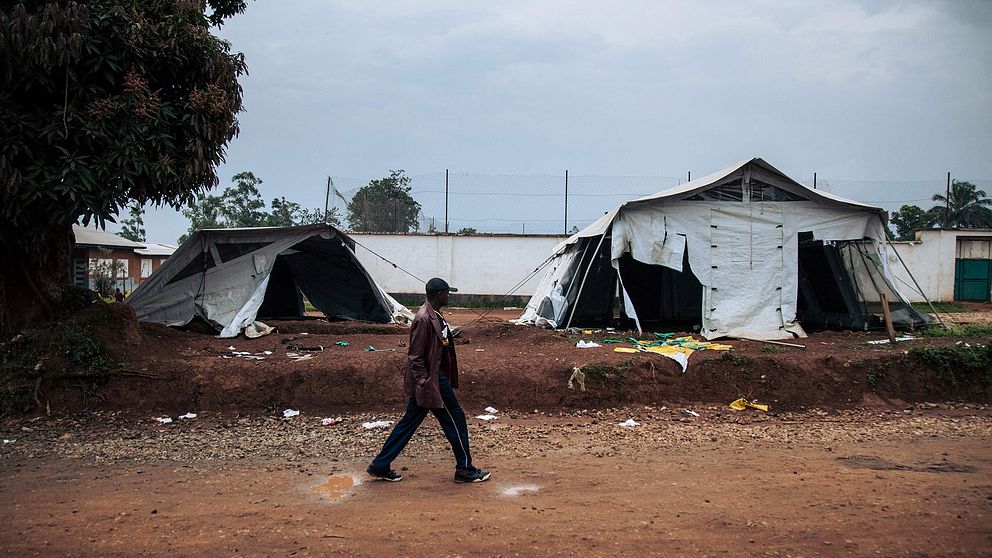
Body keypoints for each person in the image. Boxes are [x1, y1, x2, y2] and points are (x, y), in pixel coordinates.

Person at [367, 277, 491, 484]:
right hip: (431, 380)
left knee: (409, 422)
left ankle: (380, 465)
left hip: (430, 379)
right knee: (455, 418)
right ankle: (465, 469)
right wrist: (425, 383)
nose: (448, 295)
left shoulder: (433, 315)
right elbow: (415, 356)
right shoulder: (424, 319)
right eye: (446, 293)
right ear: (438, 294)